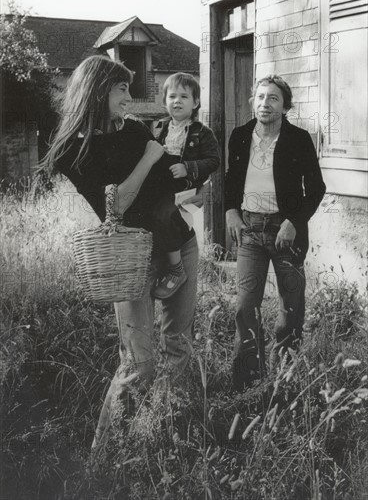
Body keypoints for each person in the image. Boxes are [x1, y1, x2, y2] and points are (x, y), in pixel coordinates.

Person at [39, 55, 199, 447]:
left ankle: (163, 435)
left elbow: (169, 186)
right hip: (129, 258)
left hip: (178, 242)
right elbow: (116, 206)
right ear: (98, 90)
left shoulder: (136, 129)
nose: (130, 96)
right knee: (139, 363)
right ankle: (105, 452)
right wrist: (148, 158)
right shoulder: (73, 152)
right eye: (122, 88)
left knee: (179, 347)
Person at [225, 74, 326, 391]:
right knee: (245, 306)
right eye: (259, 97)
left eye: (272, 98)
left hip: (286, 232)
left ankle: (285, 379)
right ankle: (248, 383)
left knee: (291, 309)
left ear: (285, 106)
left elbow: (317, 188)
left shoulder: (298, 138)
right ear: (253, 101)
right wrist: (230, 211)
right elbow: (231, 179)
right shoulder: (240, 136)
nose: (264, 103)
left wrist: (294, 221)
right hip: (251, 232)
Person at [153, 72, 220, 299]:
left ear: (196, 103)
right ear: (164, 102)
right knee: (155, 216)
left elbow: (214, 160)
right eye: (172, 96)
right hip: (161, 185)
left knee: (167, 215)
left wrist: (189, 167)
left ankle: (176, 268)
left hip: (184, 187)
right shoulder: (158, 128)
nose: (177, 101)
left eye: (184, 96)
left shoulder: (202, 132)